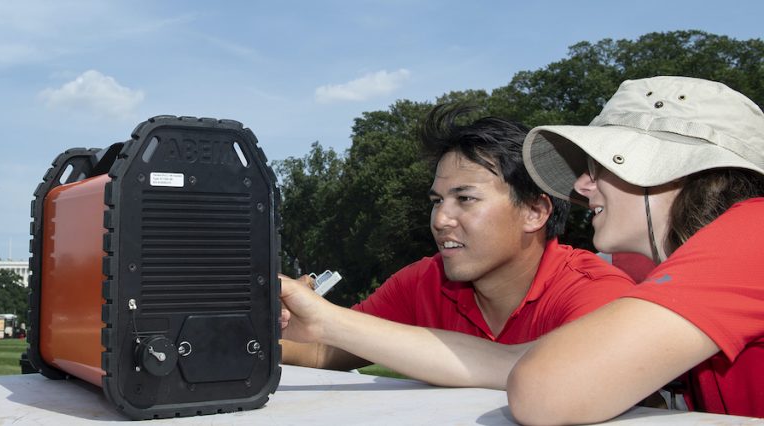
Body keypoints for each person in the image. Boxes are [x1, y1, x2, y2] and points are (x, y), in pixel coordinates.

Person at [280, 105, 634, 388]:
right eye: (437, 200)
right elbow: (323, 351)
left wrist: (331, 320)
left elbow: (569, 380)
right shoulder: (423, 281)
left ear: (534, 211)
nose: (440, 219)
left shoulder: (597, 294)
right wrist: (250, 329)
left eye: (465, 198)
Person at [510, 76, 764, 422]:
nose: (582, 185)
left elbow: (542, 389)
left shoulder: (753, 230)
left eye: (597, 167)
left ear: (671, 166)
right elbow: (517, 363)